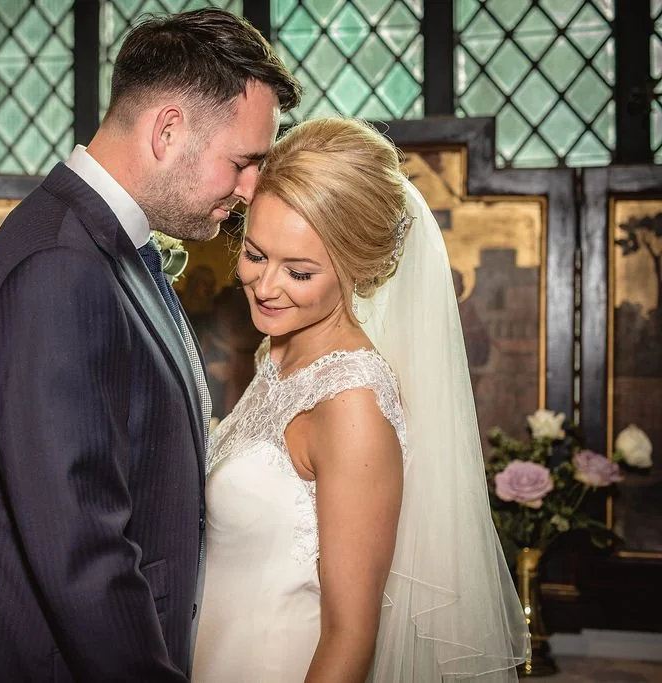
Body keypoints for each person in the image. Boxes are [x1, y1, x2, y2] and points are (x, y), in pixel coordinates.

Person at [0, 9, 300, 682]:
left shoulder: (109, 249)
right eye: (243, 162)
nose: (249, 191)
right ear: (167, 130)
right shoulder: (60, 264)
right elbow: (81, 547)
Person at [191, 118, 529, 682]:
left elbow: (351, 637)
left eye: (299, 271)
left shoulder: (352, 405)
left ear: (360, 270)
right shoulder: (277, 353)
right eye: (254, 254)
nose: (266, 285)